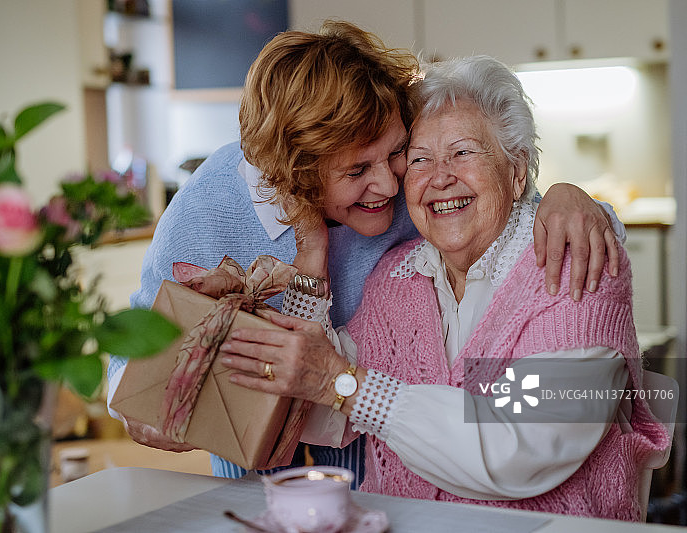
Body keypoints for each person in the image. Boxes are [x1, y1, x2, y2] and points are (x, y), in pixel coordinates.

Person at [106, 22, 623, 486]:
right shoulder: (208, 206)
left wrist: (572, 197)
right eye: (357, 171)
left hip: (383, 461)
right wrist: (160, 398)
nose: (390, 184)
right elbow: (135, 364)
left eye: (398, 152)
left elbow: (518, 215)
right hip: (258, 465)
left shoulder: (417, 198)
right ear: (297, 174)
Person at [217, 55, 669, 519]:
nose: (440, 176)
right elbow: (319, 411)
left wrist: (347, 386)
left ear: (517, 172)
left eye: (463, 152)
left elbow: (520, 446)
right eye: (419, 159)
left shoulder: (576, 264)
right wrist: (310, 255)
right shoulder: (397, 277)